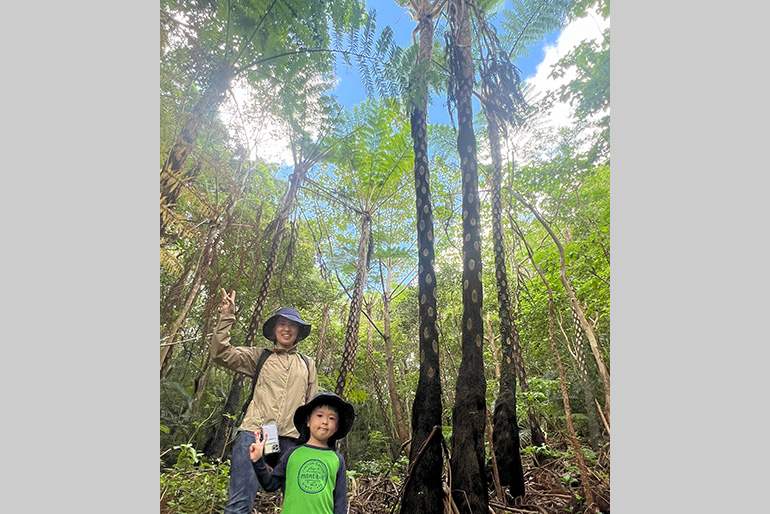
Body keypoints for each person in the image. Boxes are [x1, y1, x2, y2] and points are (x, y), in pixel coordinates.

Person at [210, 289, 319, 514]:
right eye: (281, 323)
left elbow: (313, 406)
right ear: (274, 330)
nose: (286, 328)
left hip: (290, 437)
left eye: (292, 325)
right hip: (256, 431)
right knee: (239, 503)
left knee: (300, 503)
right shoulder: (260, 357)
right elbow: (220, 353)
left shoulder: (308, 364)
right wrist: (227, 317)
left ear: (298, 331)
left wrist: (313, 443)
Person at [249, 392, 355, 514]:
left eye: (332, 418)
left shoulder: (337, 460)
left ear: (336, 427)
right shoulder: (292, 454)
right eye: (319, 415)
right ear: (308, 421)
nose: (325, 421)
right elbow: (270, 484)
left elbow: (340, 502)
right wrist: (258, 460)